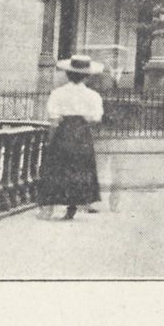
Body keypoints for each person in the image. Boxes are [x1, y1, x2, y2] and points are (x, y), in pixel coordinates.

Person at [38, 54, 104, 220]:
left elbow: (53, 116)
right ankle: (73, 205)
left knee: (58, 167)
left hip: (64, 131)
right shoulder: (93, 96)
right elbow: (96, 117)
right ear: (87, 76)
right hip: (82, 133)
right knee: (80, 167)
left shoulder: (58, 93)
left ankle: (49, 207)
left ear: (68, 74)